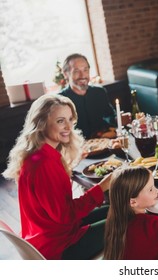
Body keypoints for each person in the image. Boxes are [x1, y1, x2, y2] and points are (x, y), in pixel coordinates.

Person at [2, 94, 112, 260]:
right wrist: (103, 186)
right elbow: (65, 215)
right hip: (60, 246)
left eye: (70, 120)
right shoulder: (44, 164)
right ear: (42, 124)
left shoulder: (37, 156)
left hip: (49, 234)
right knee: (128, 220)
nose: (68, 126)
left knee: (117, 208)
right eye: (60, 121)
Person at [59, 53, 117, 139]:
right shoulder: (60, 100)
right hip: (77, 149)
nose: (83, 75)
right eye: (76, 71)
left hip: (104, 143)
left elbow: (110, 116)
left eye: (85, 70)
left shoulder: (99, 92)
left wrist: (117, 119)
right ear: (65, 74)